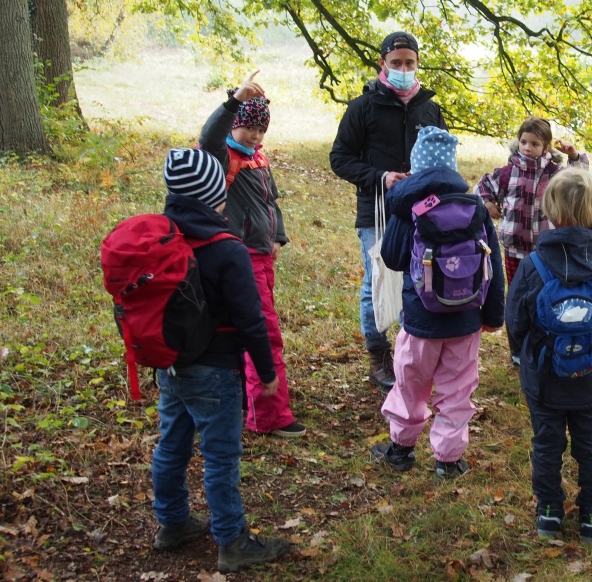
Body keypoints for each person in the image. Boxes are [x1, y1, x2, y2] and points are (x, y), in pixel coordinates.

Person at [153, 148, 289, 573]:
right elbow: (251, 318)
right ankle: (232, 541)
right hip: (215, 370)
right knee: (220, 456)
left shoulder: (161, 236)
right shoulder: (226, 248)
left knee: (171, 445)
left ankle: (172, 522)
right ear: (215, 193)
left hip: (170, 366)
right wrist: (266, 373)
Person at [369, 127, 505, 478]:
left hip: (420, 322)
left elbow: (394, 257)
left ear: (416, 167)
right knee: (457, 391)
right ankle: (448, 461)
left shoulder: (408, 206)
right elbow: (495, 265)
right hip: (466, 322)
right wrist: (493, 315)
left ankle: (401, 449)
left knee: (410, 385)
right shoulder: (475, 206)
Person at [506, 168, 592, 544]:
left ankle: (549, 511)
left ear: (552, 212)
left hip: (544, 379)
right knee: (591, 445)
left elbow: (516, 321)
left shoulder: (532, 265)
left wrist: (522, 356)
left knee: (546, 444)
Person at [330, 32, 447, 393]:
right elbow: (340, 158)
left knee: (421, 275)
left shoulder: (428, 107)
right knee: (378, 280)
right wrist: (380, 177)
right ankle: (378, 354)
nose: (403, 69)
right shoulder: (362, 107)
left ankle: (415, 349)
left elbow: (443, 153)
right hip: (377, 210)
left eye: (409, 63)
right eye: (396, 63)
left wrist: (430, 181)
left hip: (422, 207)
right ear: (383, 63)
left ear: (417, 64)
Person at [198, 71, 304, 438]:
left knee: (247, 328)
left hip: (262, 255)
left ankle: (251, 398)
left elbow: (270, 200)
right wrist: (233, 101)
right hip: (240, 258)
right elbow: (209, 134)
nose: (256, 136)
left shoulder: (259, 157)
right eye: (249, 128)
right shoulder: (219, 155)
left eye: (262, 129)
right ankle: (270, 416)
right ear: (235, 125)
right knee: (264, 332)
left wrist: (278, 236)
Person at [474, 116, 590, 286]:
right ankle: (517, 313)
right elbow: (482, 186)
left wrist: (574, 155)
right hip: (514, 248)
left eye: (534, 144)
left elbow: (580, 180)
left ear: (546, 147)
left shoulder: (554, 173)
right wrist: (488, 203)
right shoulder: (508, 172)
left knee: (544, 288)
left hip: (545, 247)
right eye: (523, 142)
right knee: (517, 288)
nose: (527, 148)